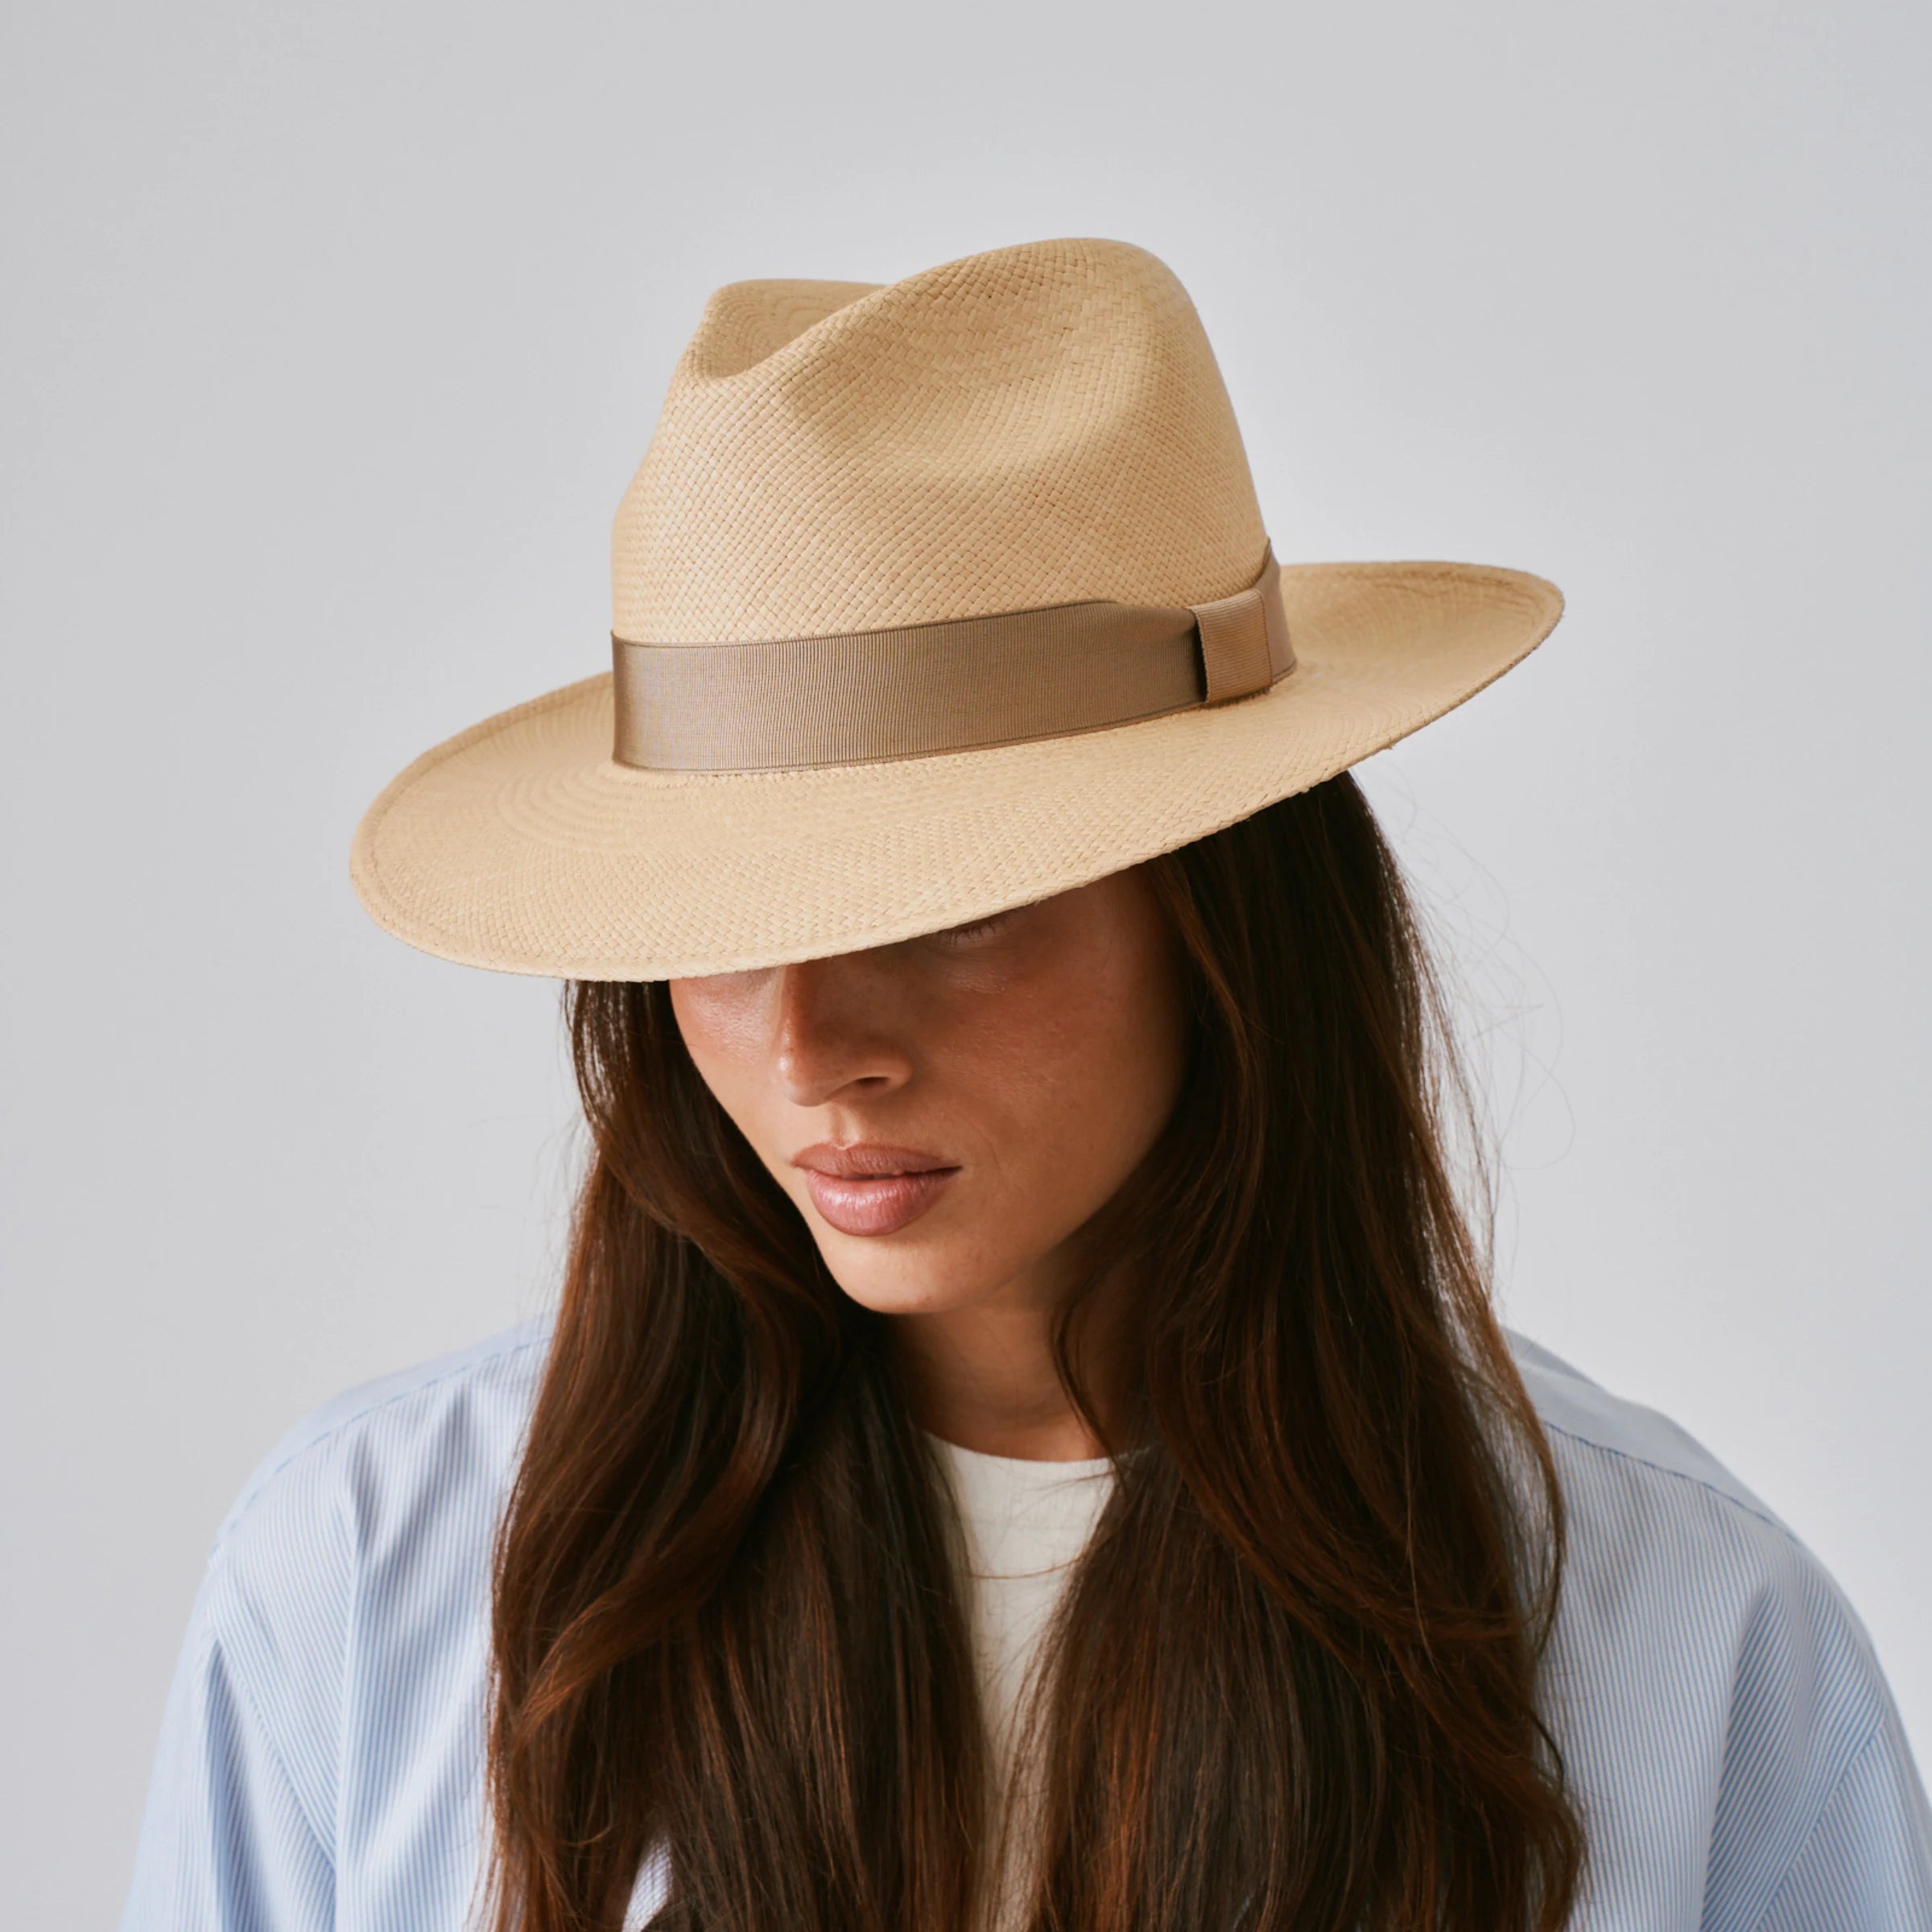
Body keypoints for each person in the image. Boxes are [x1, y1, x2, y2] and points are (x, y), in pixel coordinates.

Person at [120, 237, 1931, 1932]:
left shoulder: (1694, 1645)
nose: (817, 1045)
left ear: (1225, 914)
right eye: (725, 923)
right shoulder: (371, 1584)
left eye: (952, 910)